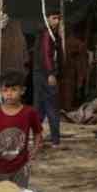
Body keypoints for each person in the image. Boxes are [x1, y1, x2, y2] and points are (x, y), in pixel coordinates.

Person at [0, 69, 43, 189]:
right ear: (0, 92)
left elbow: (38, 132)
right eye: (5, 90)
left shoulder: (29, 113)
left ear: (22, 90)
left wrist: (35, 150)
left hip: (20, 167)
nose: (9, 94)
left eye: (14, 90)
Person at [33, 12, 63, 146]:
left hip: (40, 74)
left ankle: (37, 139)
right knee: (50, 106)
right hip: (45, 75)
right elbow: (46, 54)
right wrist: (51, 73)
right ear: (47, 19)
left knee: (40, 108)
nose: (57, 21)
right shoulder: (47, 34)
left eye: (58, 18)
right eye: (54, 18)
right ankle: (55, 140)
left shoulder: (48, 33)